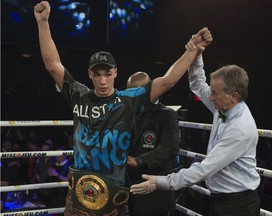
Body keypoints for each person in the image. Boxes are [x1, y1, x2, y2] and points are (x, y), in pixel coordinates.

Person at [33, 1, 212, 215]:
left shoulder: (129, 99)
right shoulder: (79, 94)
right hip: (79, 195)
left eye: (107, 74)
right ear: (90, 74)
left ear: (115, 73)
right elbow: (53, 65)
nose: (102, 80)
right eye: (97, 74)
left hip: (114, 196)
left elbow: (168, 81)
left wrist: (193, 49)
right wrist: (43, 22)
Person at [130, 40, 261, 216]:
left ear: (233, 96)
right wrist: (197, 53)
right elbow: (198, 84)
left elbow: (204, 169)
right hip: (220, 199)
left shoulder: (239, 129)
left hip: (238, 205)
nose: (210, 98)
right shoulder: (224, 105)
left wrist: (159, 182)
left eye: (214, 93)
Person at [126, 72, 180, 216]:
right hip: (127, 192)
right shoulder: (126, 113)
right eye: (130, 92)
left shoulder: (167, 114)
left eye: (138, 92)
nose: (133, 96)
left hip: (154, 193)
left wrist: (138, 160)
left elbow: (170, 149)